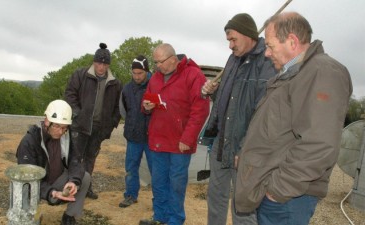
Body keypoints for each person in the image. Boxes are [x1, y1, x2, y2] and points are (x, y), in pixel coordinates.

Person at [235, 12, 352, 225]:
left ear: (292, 41)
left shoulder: (322, 71)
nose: (267, 54)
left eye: (270, 46)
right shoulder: (294, 73)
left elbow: (319, 144)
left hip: (288, 199)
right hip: (279, 195)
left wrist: (277, 190)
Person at [201, 13, 276, 225]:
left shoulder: (266, 61)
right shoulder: (233, 59)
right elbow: (231, 100)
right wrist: (212, 91)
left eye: (233, 39)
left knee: (243, 206)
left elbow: (263, 112)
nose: (230, 46)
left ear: (248, 35)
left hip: (243, 149)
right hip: (221, 143)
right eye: (228, 41)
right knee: (216, 198)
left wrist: (245, 148)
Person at [138, 43, 210, 225]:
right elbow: (146, 100)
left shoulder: (193, 75)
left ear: (172, 59)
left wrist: (188, 138)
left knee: (176, 185)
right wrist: (146, 107)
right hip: (158, 141)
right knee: (159, 182)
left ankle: (175, 220)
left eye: (160, 62)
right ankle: (159, 217)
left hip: (180, 143)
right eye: (155, 63)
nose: (157, 66)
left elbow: (200, 110)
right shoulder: (155, 78)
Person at [16, 100, 90, 225]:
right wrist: (51, 192)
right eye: (56, 126)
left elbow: (75, 160)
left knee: (85, 177)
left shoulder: (67, 136)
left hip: (56, 180)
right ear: (46, 121)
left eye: (64, 128)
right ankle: (29, 217)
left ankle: (69, 216)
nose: (60, 132)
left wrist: (73, 181)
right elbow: (28, 179)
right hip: (34, 185)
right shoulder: (29, 142)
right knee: (28, 215)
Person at [64, 43, 122, 199]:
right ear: (94, 61)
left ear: (108, 65)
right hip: (80, 125)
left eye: (104, 63)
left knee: (90, 158)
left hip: (99, 128)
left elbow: (118, 107)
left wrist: (111, 124)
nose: (101, 67)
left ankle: (86, 187)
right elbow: (69, 95)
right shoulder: (80, 75)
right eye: (98, 63)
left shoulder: (115, 83)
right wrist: (77, 113)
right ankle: (72, 187)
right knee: (75, 158)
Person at [118, 55, 153, 208]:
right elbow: (123, 110)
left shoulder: (156, 85)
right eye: (134, 73)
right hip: (133, 137)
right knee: (131, 169)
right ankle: (131, 195)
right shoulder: (126, 89)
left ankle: (159, 200)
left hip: (152, 137)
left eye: (140, 73)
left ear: (146, 71)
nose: (137, 76)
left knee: (157, 172)